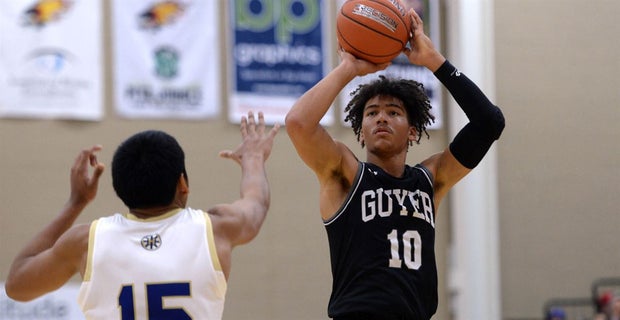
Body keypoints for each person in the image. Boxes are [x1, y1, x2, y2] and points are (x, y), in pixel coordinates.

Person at [285, 8, 505, 320]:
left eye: (393, 112)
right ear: (361, 130)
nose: (381, 118)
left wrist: (434, 61)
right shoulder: (346, 175)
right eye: (372, 113)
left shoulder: (430, 180)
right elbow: (297, 123)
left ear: (413, 130)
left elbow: (489, 122)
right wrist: (348, 68)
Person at [5, 111, 279, 319]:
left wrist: (75, 203)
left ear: (121, 188)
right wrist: (253, 159)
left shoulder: (86, 241)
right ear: (182, 184)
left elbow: (17, 285)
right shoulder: (217, 228)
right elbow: (256, 205)